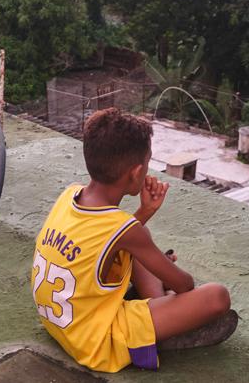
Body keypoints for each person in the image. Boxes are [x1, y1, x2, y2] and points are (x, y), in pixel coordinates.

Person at [31, 107, 237, 373]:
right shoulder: (126, 229)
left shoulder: (70, 195)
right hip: (95, 341)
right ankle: (158, 332)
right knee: (217, 297)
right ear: (136, 171)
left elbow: (103, 239)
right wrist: (164, 268)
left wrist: (144, 214)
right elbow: (185, 285)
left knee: (139, 242)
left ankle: (157, 306)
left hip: (61, 322)